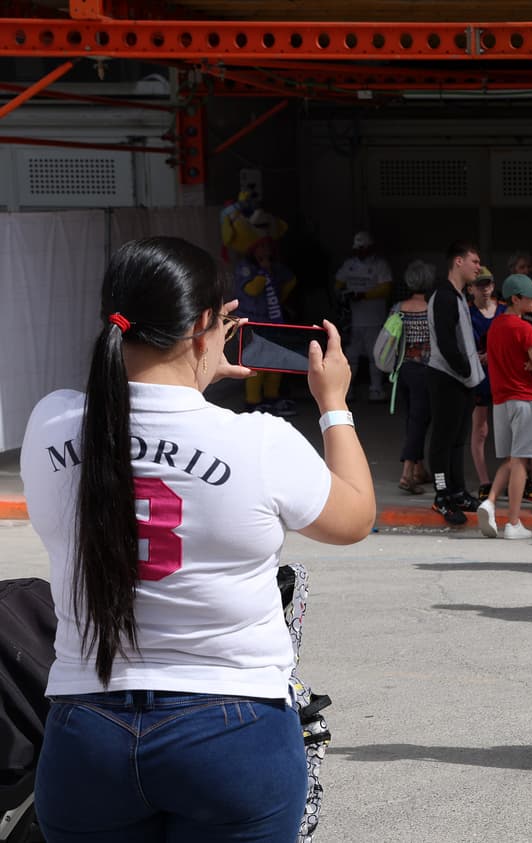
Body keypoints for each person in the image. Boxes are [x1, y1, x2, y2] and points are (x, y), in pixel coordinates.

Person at [19, 236, 376, 842]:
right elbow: (355, 517)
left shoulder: (50, 421)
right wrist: (333, 404)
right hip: (232, 730)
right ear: (204, 327)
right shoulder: (259, 442)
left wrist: (193, 367)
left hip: (88, 731)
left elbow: (142, 416)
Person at [477, 275, 532, 540]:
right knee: (520, 462)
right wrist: (531, 366)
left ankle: (490, 501)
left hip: (500, 402)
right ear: (516, 299)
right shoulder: (524, 328)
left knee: (510, 459)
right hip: (525, 399)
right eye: (530, 296)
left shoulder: (495, 326)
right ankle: (513, 522)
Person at [427, 241, 486, 524]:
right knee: (442, 440)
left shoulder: (458, 295)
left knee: (457, 440)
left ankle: (458, 491)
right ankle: (441, 495)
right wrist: (465, 370)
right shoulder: (444, 297)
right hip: (447, 378)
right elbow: (447, 344)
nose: (479, 267)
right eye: (475, 261)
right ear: (458, 262)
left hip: (463, 380)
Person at [234, 235, 298, 417]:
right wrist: (263, 271)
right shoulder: (245, 268)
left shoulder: (275, 267)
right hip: (252, 321)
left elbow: (291, 279)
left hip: (273, 320)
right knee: (257, 363)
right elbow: (252, 290)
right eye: (260, 246)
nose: (264, 250)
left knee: (276, 363)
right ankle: (253, 402)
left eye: (267, 246)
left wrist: (279, 299)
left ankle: (272, 398)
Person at [334, 231, 393, 403]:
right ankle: (347, 391)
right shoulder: (349, 265)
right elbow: (338, 284)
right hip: (352, 321)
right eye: (357, 248)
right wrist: (343, 294)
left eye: (363, 248)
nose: (360, 251)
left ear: (370, 247)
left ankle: (376, 389)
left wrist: (363, 295)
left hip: (374, 319)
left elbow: (386, 288)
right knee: (350, 356)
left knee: (375, 355)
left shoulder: (380, 265)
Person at [395, 260, 435, 495]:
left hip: (403, 370)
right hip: (425, 372)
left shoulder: (398, 308)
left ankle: (420, 469)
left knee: (412, 419)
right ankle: (407, 473)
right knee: (420, 421)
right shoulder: (430, 309)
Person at [467, 266, 504, 498]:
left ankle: (516, 476)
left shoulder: (504, 310)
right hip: (479, 378)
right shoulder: (466, 313)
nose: (486, 289)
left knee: (509, 429)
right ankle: (484, 481)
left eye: (488, 284)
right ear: (471, 289)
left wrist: (494, 355)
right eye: (480, 285)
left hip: (503, 377)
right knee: (480, 429)